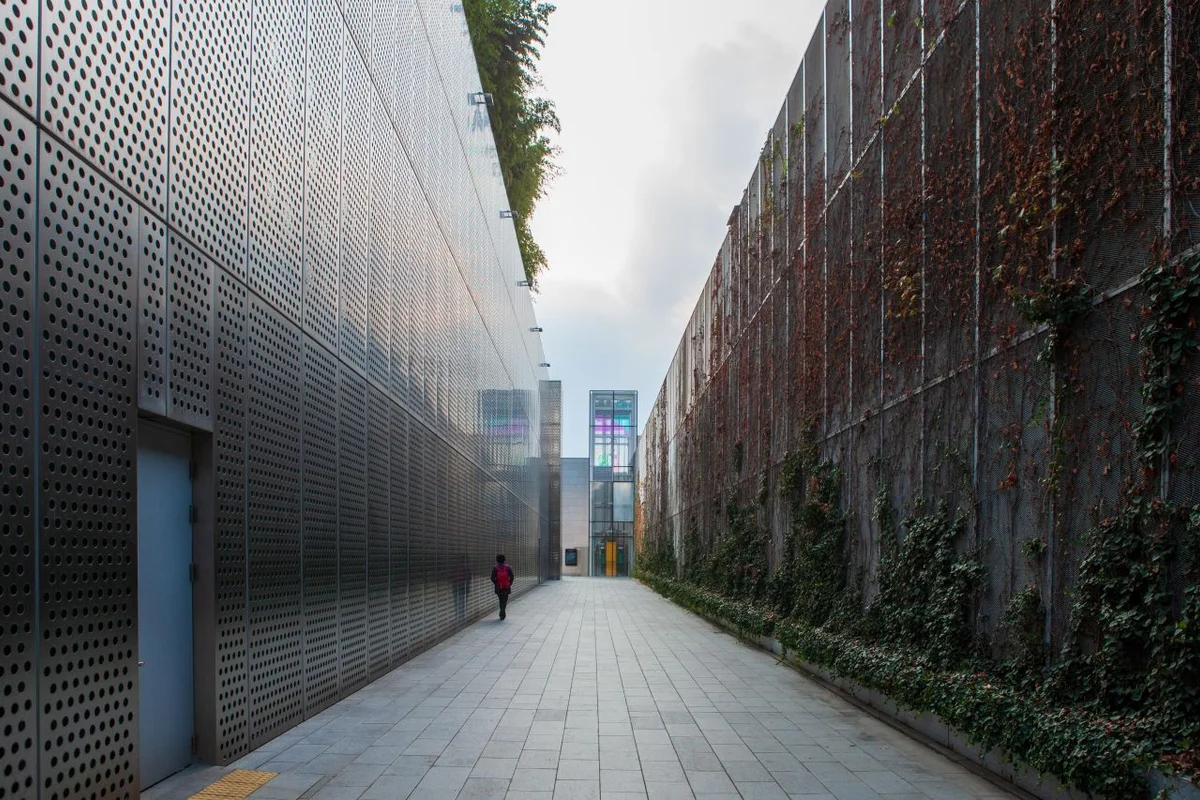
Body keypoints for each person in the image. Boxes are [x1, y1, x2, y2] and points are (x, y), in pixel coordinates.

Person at [490, 554, 514, 620]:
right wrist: (509, 583)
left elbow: (492, 578)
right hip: (506, 586)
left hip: (499, 587)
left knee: (501, 599)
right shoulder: (508, 567)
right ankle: (502, 611)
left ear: (497, 560)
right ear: (504, 560)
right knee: (505, 600)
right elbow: (512, 576)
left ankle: (502, 611)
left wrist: (496, 583)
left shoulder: (495, 568)